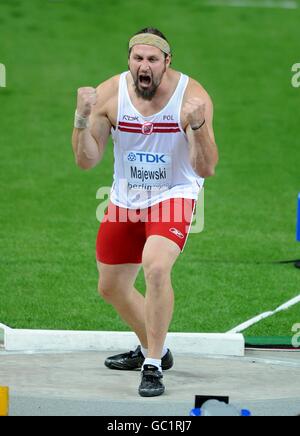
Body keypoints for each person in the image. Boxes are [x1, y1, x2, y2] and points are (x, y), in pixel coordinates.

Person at [72, 27, 219, 397]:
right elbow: (87, 161)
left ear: (167, 63)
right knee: (111, 287)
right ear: (129, 60)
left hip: (174, 193)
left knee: (155, 267)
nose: (144, 66)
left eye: (153, 59)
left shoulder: (192, 97)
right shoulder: (110, 94)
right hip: (125, 198)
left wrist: (198, 126)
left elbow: (206, 168)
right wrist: (81, 118)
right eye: (138, 58)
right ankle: (158, 350)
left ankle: (152, 365)